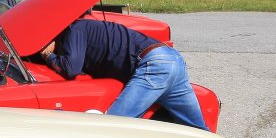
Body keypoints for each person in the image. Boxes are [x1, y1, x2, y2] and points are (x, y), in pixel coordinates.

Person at [38, 19, 207, 129]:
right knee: (198, 131)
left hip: (154, 64)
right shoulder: (87, 27)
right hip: (173, 59)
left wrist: (48, 55)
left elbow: (71, 68)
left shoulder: (74, 29)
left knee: (114, 126)